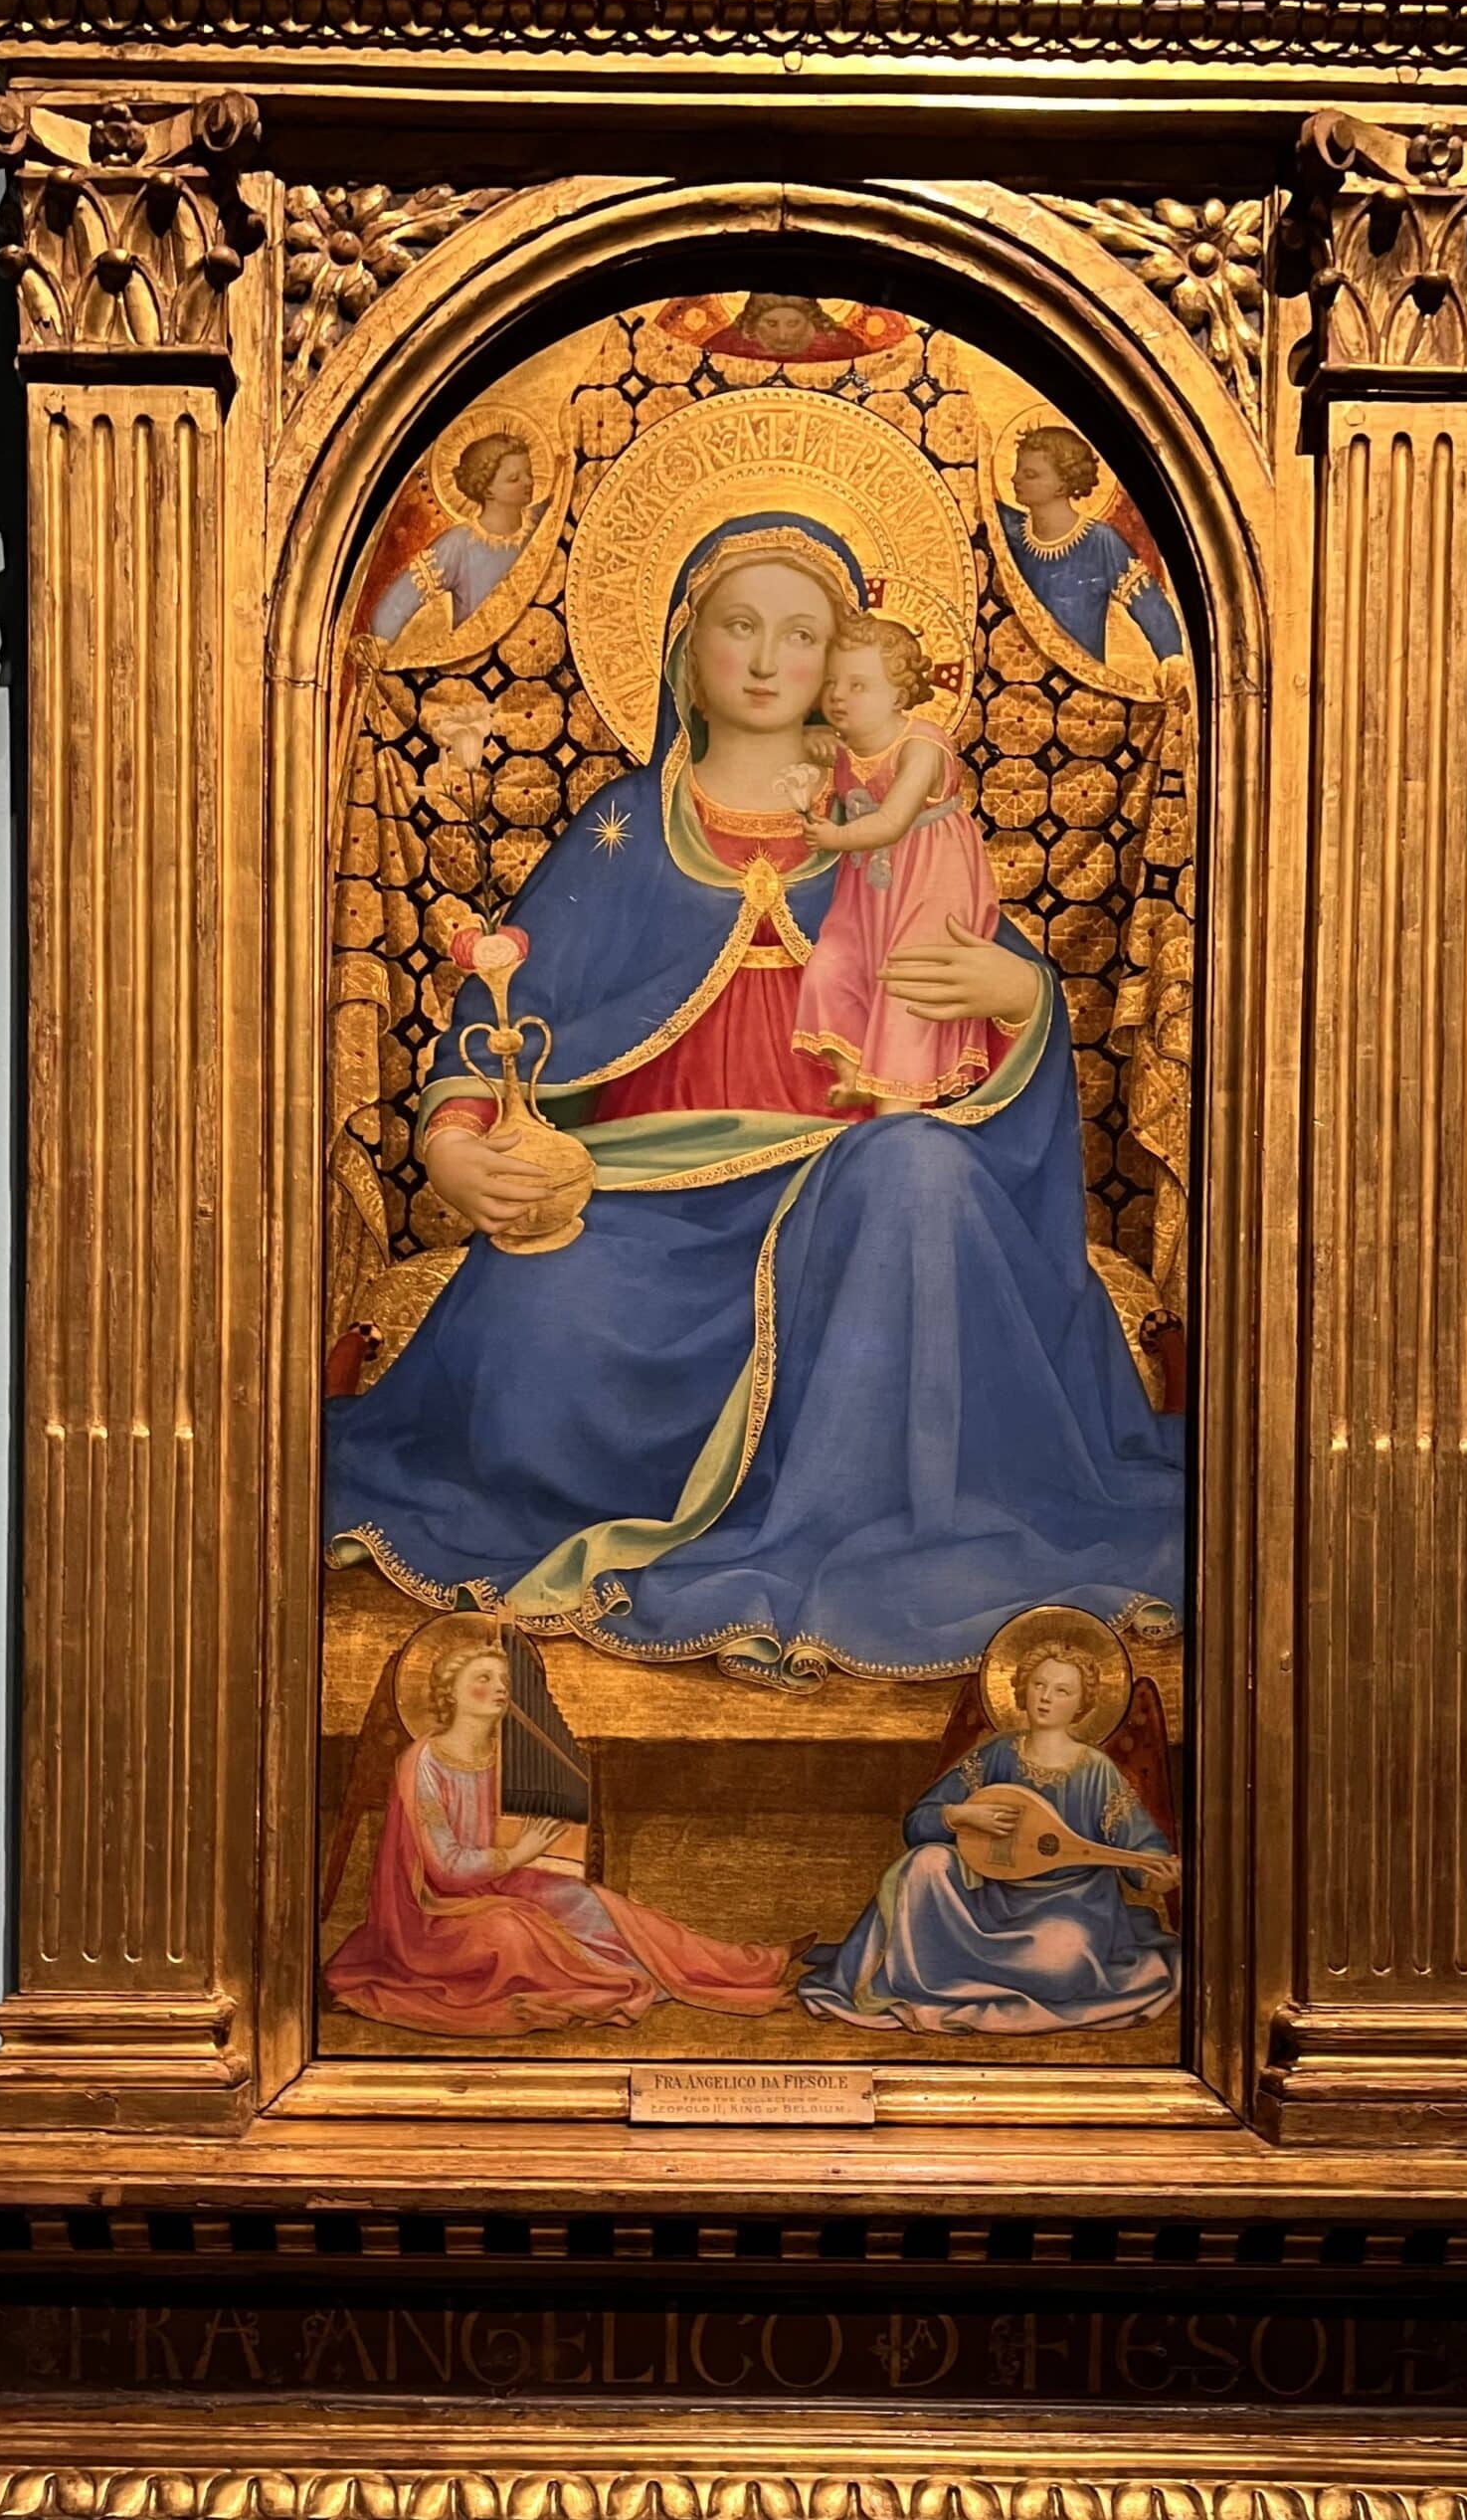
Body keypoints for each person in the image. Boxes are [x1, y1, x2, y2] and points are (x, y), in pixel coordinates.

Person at [322, 509, 1184, 1684]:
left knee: (918, 1170)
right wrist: (459, 1138)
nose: (770, 660)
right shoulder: (626, 828)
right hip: (647, 1203)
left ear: (849, 661)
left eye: (802, 635)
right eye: (740, 626)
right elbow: (506, 1005)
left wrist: (1020, 995)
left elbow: (984, 970)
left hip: (851, 1205)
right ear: (685, 648)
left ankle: (883, 1535)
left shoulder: (898, 818)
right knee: (533, 1326)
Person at [324, 1635, 802, 2034]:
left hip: (494, 1884)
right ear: (450, 1693)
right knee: (511, 1933)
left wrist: (534, 1852)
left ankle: (752, 1963)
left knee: (594, 1903)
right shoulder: (423, 1764)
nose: (499, 1688)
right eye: (483, 1679)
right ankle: (637, 1976)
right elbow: (445, 1869)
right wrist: (518, 1853)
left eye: (504, 1680)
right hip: (432, 1915)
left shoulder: (503, 1754)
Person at [798, 1648, 1180, 2034]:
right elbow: (918, 1824)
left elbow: (1140, 1844)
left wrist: (1153, 1874)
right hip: (989, 1896)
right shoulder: (997, 1754)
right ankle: (938, 1977)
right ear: (1022, 1689)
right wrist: (960, 1816)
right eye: (1039, 1685)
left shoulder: (1096, 1770)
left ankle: (961, 1977)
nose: (1046, 1698)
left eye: (1062, 1691)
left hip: (1069, 1908)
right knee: (925, 1863)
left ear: (1083, 1703)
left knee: (1062, 1963)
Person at [786, 613, 1000, 1110]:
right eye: (832, 682)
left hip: (932, 879)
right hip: (868, 889)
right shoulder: (845, 747)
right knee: (831, 967)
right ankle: (854, 1074)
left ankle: (897, 1113)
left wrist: (836, 836)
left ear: (898, 696)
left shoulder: (921, 747)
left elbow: (894, 821)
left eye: (858, 685)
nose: (838, 696)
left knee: (910, 983)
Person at [999, 425, 1184, 671]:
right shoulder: (1007, 529)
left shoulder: (1101, 542)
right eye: (1018, 470)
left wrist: (1173, 662)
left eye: (1030, 474)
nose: (1015, 478)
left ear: (1062, 485)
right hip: (1015, 673)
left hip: (1078, 684)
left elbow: (1150, 606)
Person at [371, 435, 538, 648]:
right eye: (514, 478)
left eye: (529, 473)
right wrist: (384, 648)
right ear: (487, 489)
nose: (529, 482)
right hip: (482, 659)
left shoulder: (543, 522)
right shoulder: (459, 544)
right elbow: (390, 612)